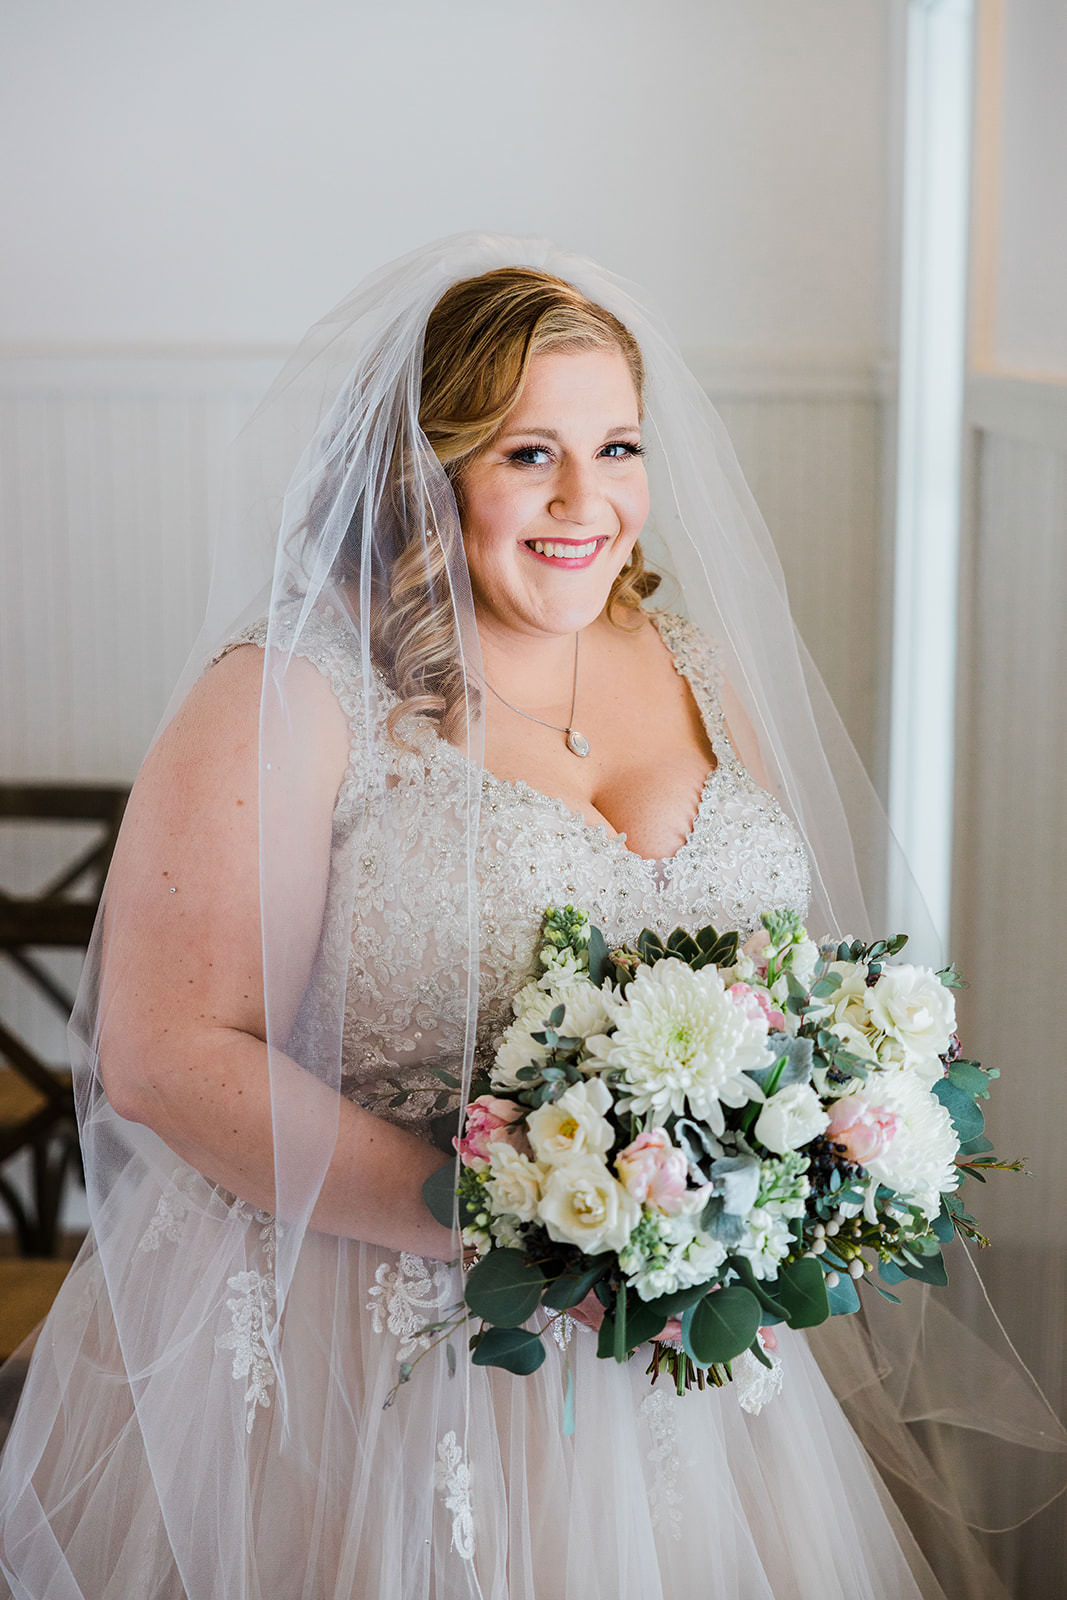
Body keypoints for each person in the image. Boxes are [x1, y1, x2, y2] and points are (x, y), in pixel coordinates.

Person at [0, 233, 1058, 1599]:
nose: (588, 498)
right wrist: (511, 1218)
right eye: (527, 453)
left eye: (618, 447)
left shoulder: (701, 668)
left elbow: (788, 983)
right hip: (365, 1360)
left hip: (683, 1357)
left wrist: (783, 1154)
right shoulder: (291, 693)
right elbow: (160, 1052)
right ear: (424, 471)